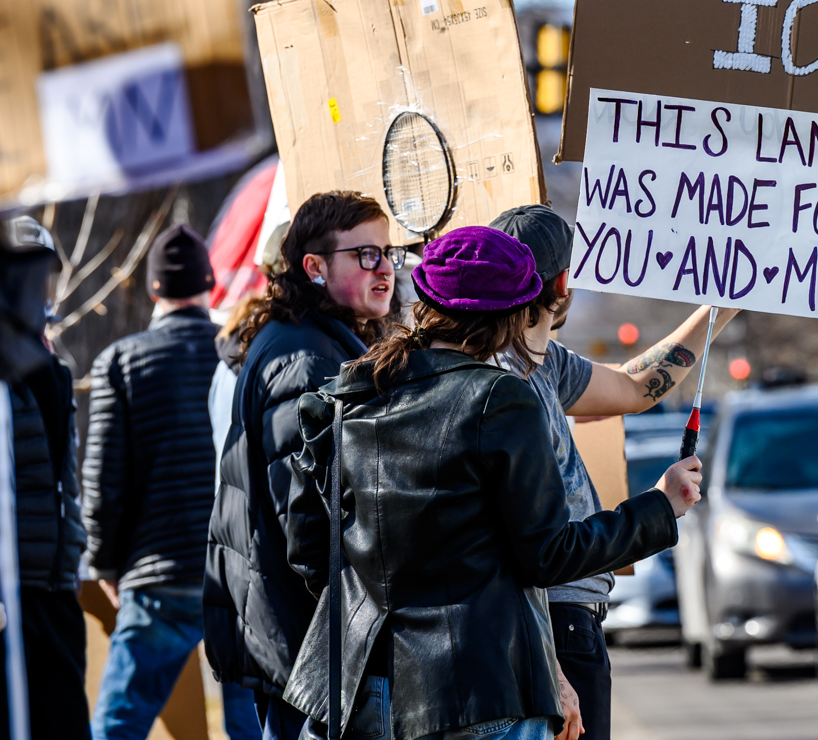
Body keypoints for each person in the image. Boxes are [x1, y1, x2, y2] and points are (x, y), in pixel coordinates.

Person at [280, 225, 702, 740]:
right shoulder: (499, 398)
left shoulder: (344, 397)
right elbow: (548, 555)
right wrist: (660, 507)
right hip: (478, 692)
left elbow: (307, 552)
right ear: (511, 315)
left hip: (358, 694)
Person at [488, 204, 737, 740]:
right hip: (549, 627)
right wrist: (658, 504)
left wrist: (722, 305)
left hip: (565, 623)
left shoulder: (542, 359)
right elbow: (520, 547)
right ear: (561, 284)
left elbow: (633, 386)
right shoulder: (503, 380)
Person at [203, 192, 400, 739]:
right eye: (364, 254)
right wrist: (358, 629)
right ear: (314, 267)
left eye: (388, 253)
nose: (383, 267)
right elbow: (310, 526)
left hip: (297, 638)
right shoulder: (307, 360)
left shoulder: (313, 341)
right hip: (311, 647)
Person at [82, 224, 260, 740]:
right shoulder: (240, 352)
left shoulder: (121, 361)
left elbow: (103, 481)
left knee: (119, 721)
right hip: (236, 569)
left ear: (154, 290)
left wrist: (107, 564)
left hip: (155, 572)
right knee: (250, 723)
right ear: (209, 284)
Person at [0, 217, 90, 740]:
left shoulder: (54, 368)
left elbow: (64, 481)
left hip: (55, 586)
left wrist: (73, 553)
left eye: (45, 278)